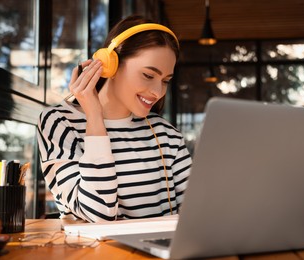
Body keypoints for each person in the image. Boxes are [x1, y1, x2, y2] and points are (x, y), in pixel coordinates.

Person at [37, 15, 192, 222]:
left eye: (165, 80)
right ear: (110, 65)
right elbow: (98, 213)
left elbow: (197, 214)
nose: (157, 92)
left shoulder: (167, 134)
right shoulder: (58, 122)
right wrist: (94, 115)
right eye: (148, 75)